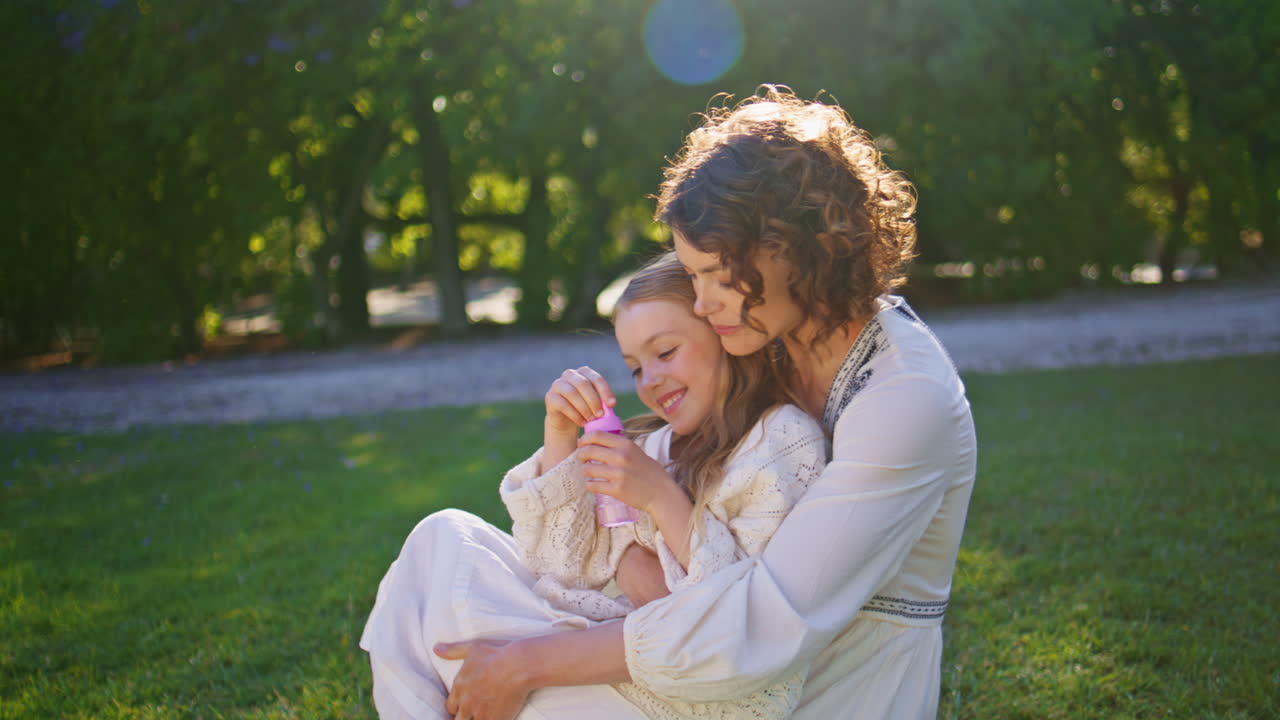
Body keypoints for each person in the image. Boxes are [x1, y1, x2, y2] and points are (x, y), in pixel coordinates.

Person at [437, 86, 977, 720]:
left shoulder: (903, 399)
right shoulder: (772, 340)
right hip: (691, 640)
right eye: (692, 275)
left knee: (501, 677)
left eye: (721, 275)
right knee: (441, 557)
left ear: (807, 248)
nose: (701, 304)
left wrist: (525, 662)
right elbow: (631, 545)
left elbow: (763, 626)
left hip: (826, 686)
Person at [360, 252, 828, 719]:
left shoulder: (782, 442)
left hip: (686, 696)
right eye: (636, 368)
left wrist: (660, 500)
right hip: (606, 649)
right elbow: (561, 571)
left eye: (665, 352)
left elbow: (740, 624)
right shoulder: (652, 446)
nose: (651, 381)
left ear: (725, 336)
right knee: (441, 538)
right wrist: (560, 436)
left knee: (442, 629)